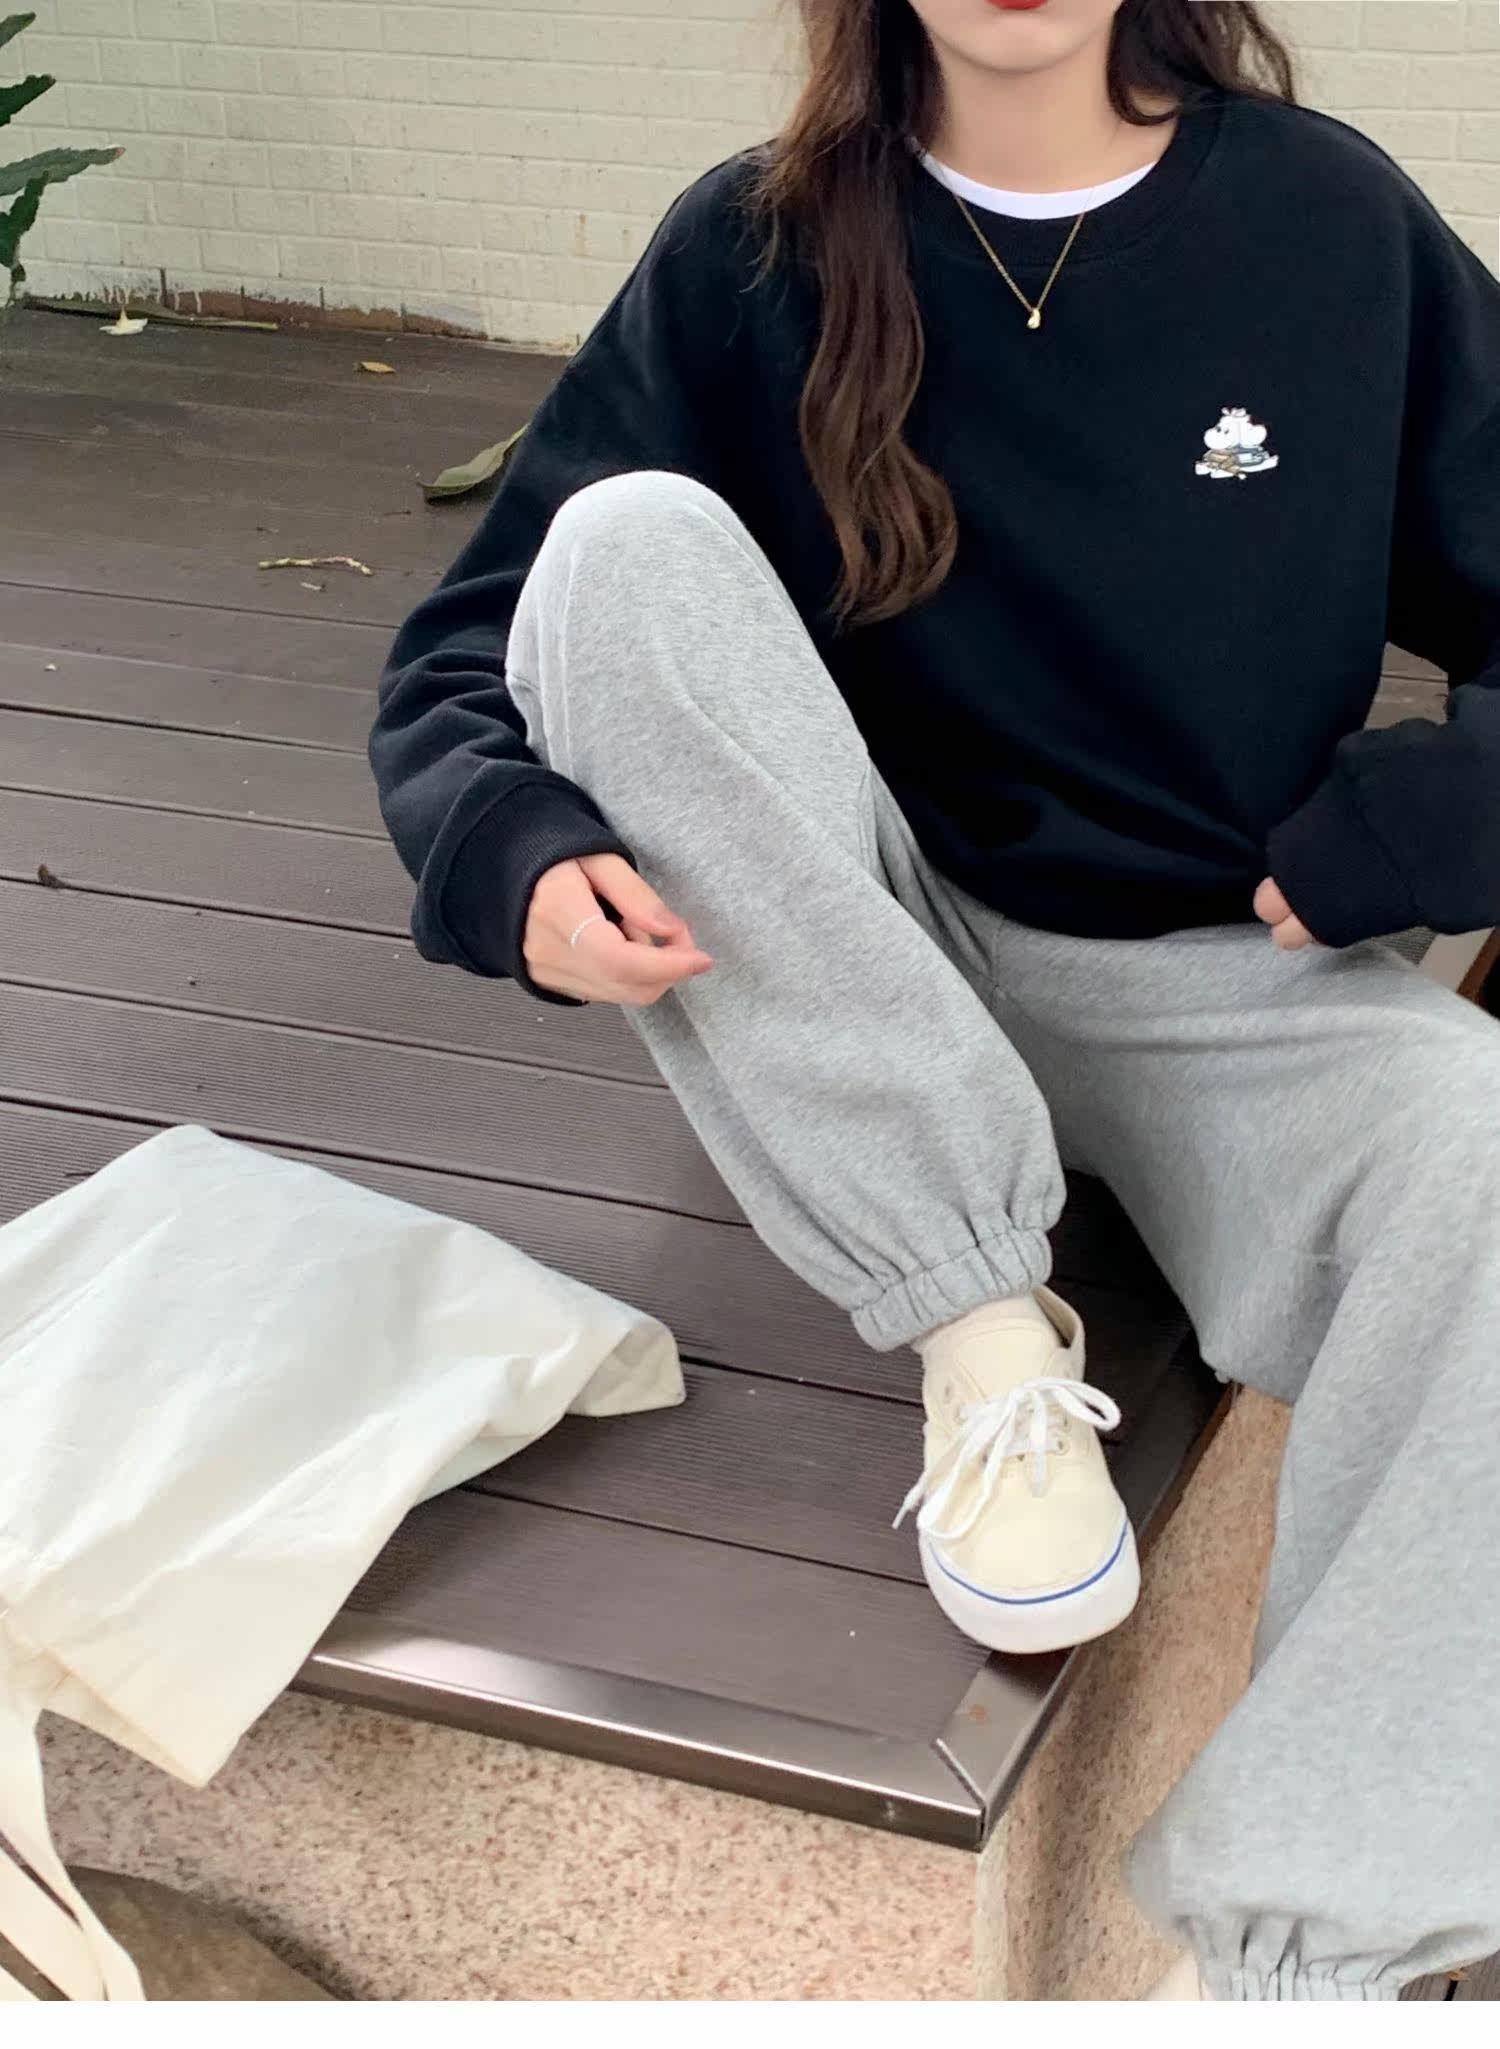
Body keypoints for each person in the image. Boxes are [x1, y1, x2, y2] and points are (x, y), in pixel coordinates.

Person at [370, 0, 1500, 2003]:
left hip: (1220, 974)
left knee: (1479, 1149)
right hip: (862, 944)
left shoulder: (1326, 227)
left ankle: (1311, 1963)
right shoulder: (757, 248)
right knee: (622, 546)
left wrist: (1431, 813)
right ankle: (979, 1321)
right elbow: (483, 630)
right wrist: (507, 847)